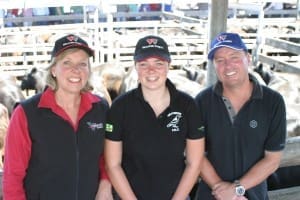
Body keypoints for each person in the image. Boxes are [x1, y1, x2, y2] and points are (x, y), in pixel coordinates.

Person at [3, 34, 113, 200]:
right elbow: (13, 176)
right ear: (53, 69)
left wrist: (105, 183)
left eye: (82, 63)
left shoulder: (101, 108)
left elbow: (108, 156)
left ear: (89, 70)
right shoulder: (26, 114)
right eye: (67, 63)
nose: (75, 70)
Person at [104, 35, 205, 199]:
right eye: (144, 64)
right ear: (135, 66)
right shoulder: (120, 107)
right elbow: (113, 164)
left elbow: (195, 162)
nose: (151, 71)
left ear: (168, 66)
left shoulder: (187, 106)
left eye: (158, 64)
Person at [194, 32, 286, 200]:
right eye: (219, 60)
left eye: (234, 57)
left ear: (248, 58)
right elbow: (195, 153)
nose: (227, 65)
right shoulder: (202, 102)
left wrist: (237, 189)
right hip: (211, 195)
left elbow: (272, 159)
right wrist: (221, 190)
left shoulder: (273, 102)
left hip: (253, 195)